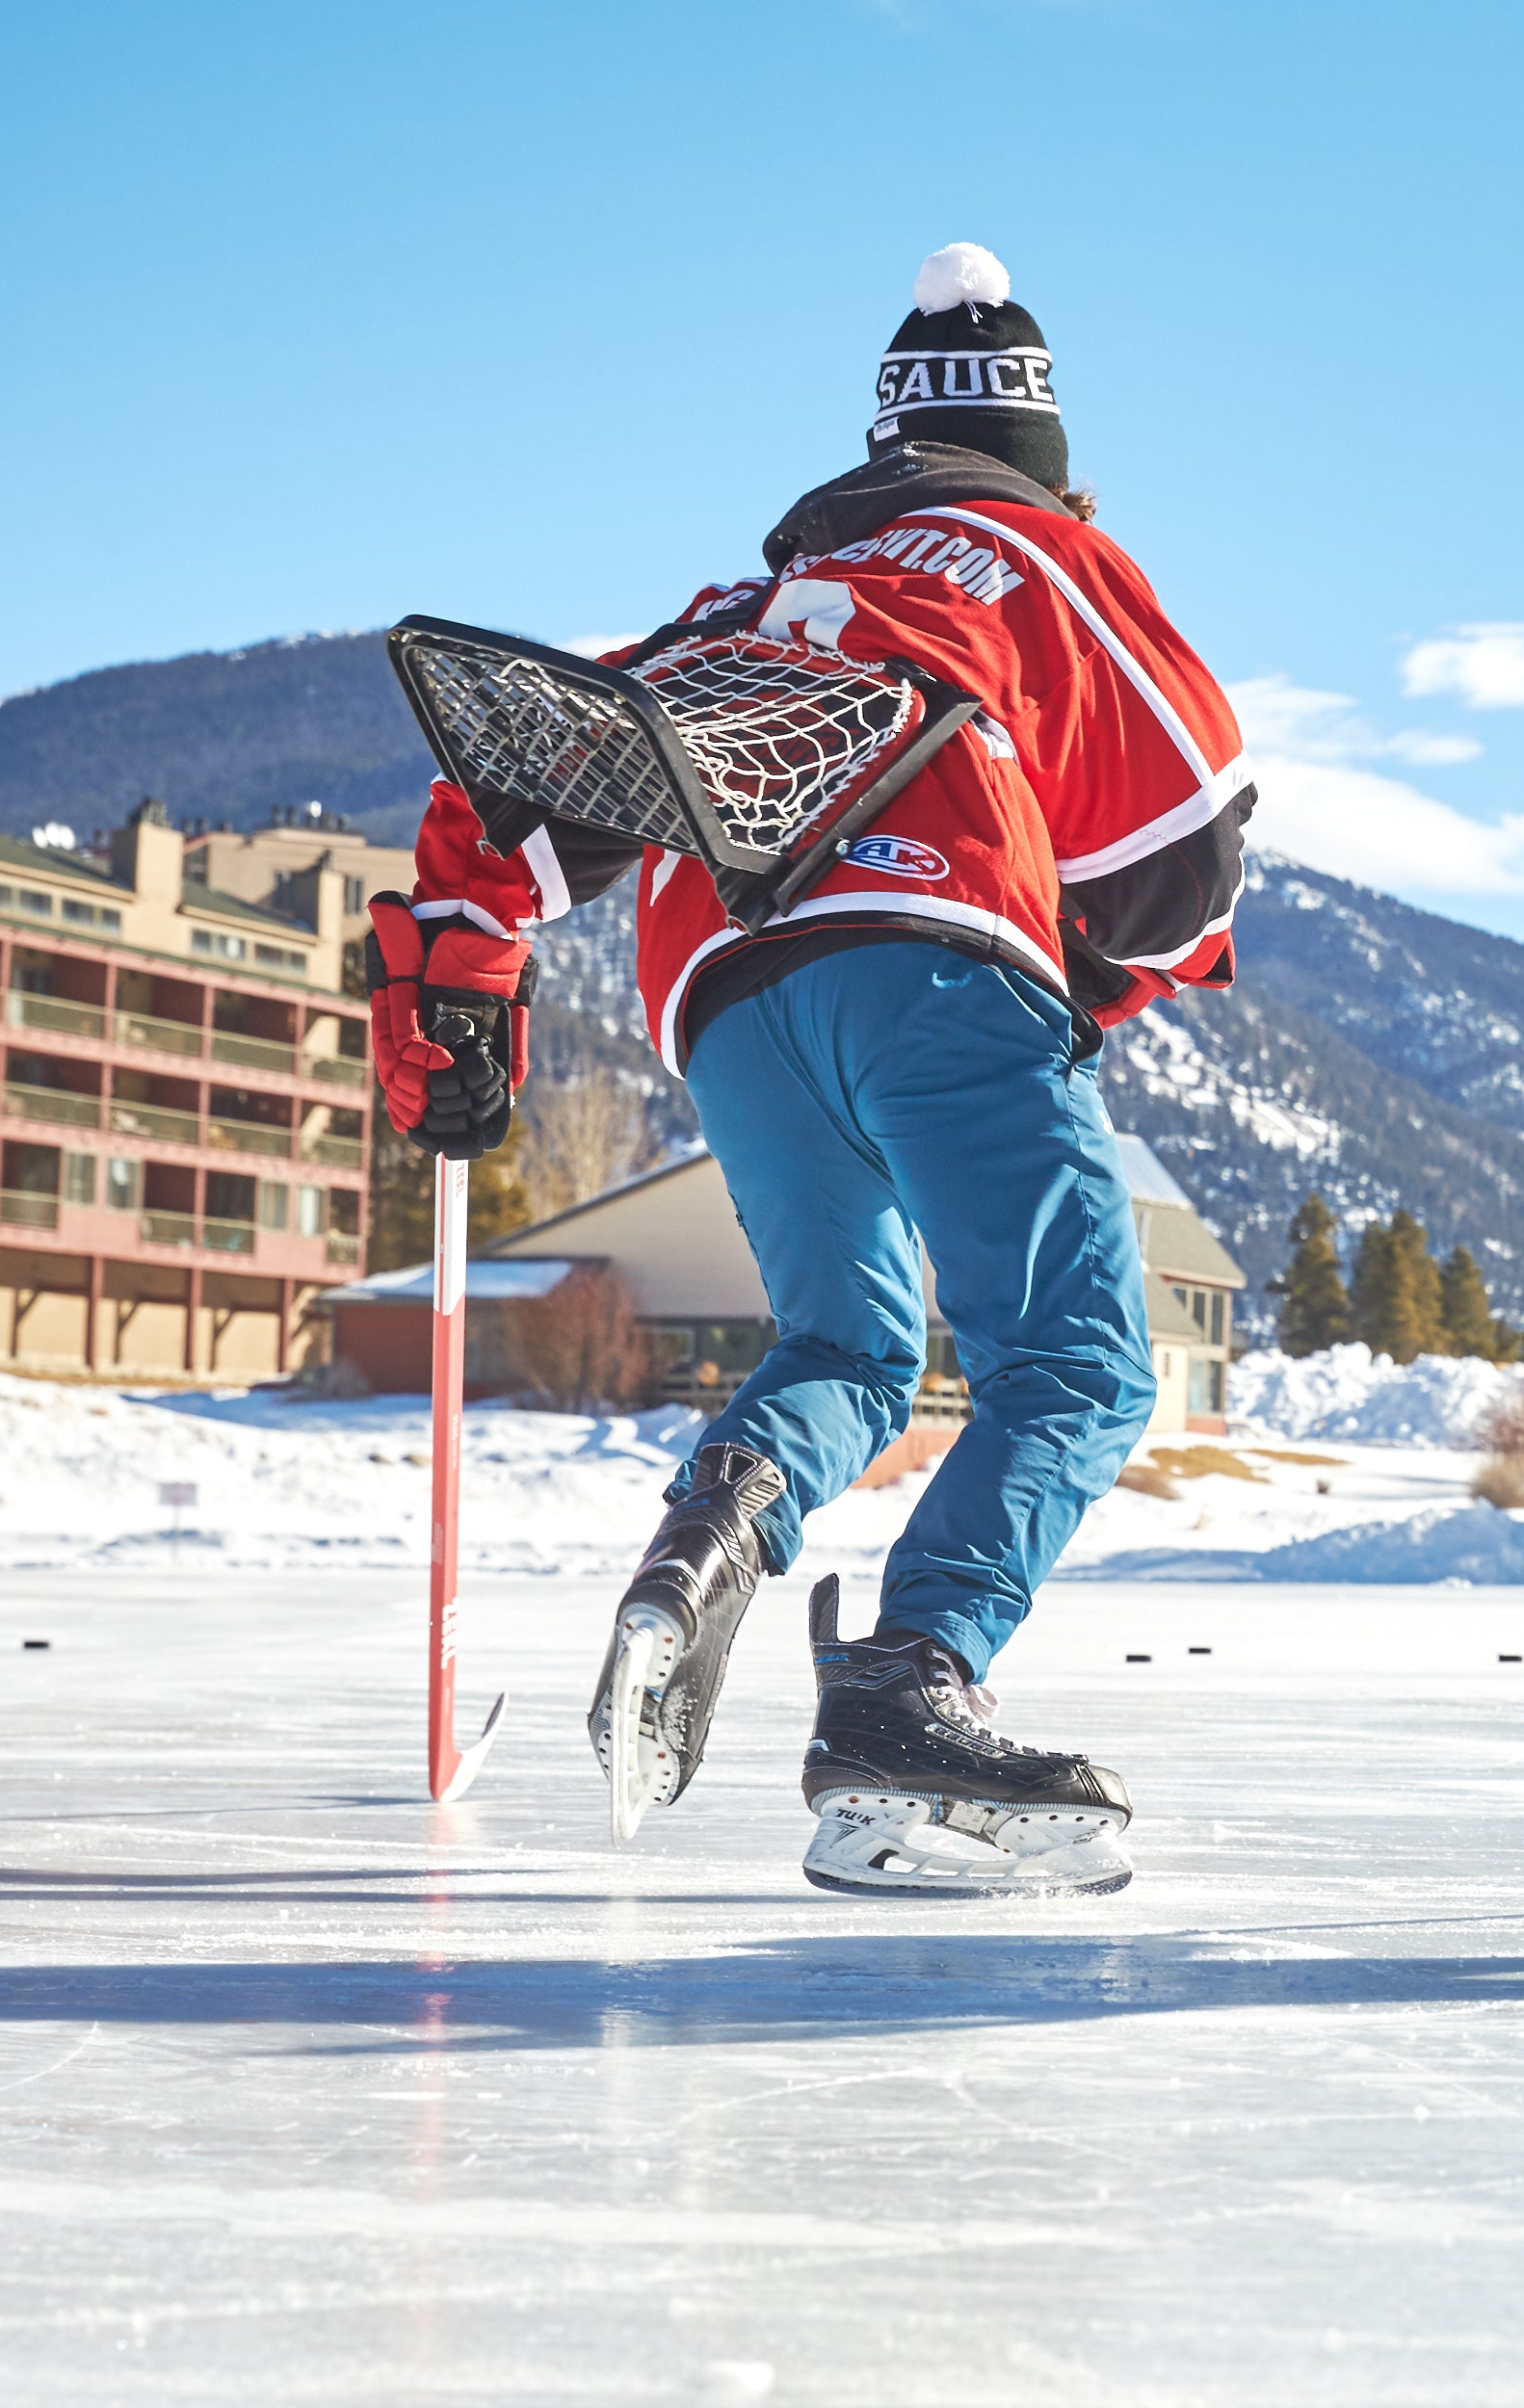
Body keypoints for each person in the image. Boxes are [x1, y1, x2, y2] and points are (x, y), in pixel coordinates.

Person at [368, 243, 1252, 1896]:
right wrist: (1095, 974)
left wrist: (462, 977)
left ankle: (707, 1545)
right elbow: (1192, 826)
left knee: (851, 1336)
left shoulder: (750, 609)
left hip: (724, 993)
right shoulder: (1027, 554)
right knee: (1074, 1360)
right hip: (932, 969)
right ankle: (914, 1683)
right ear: (1040, 448)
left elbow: (515, 804)